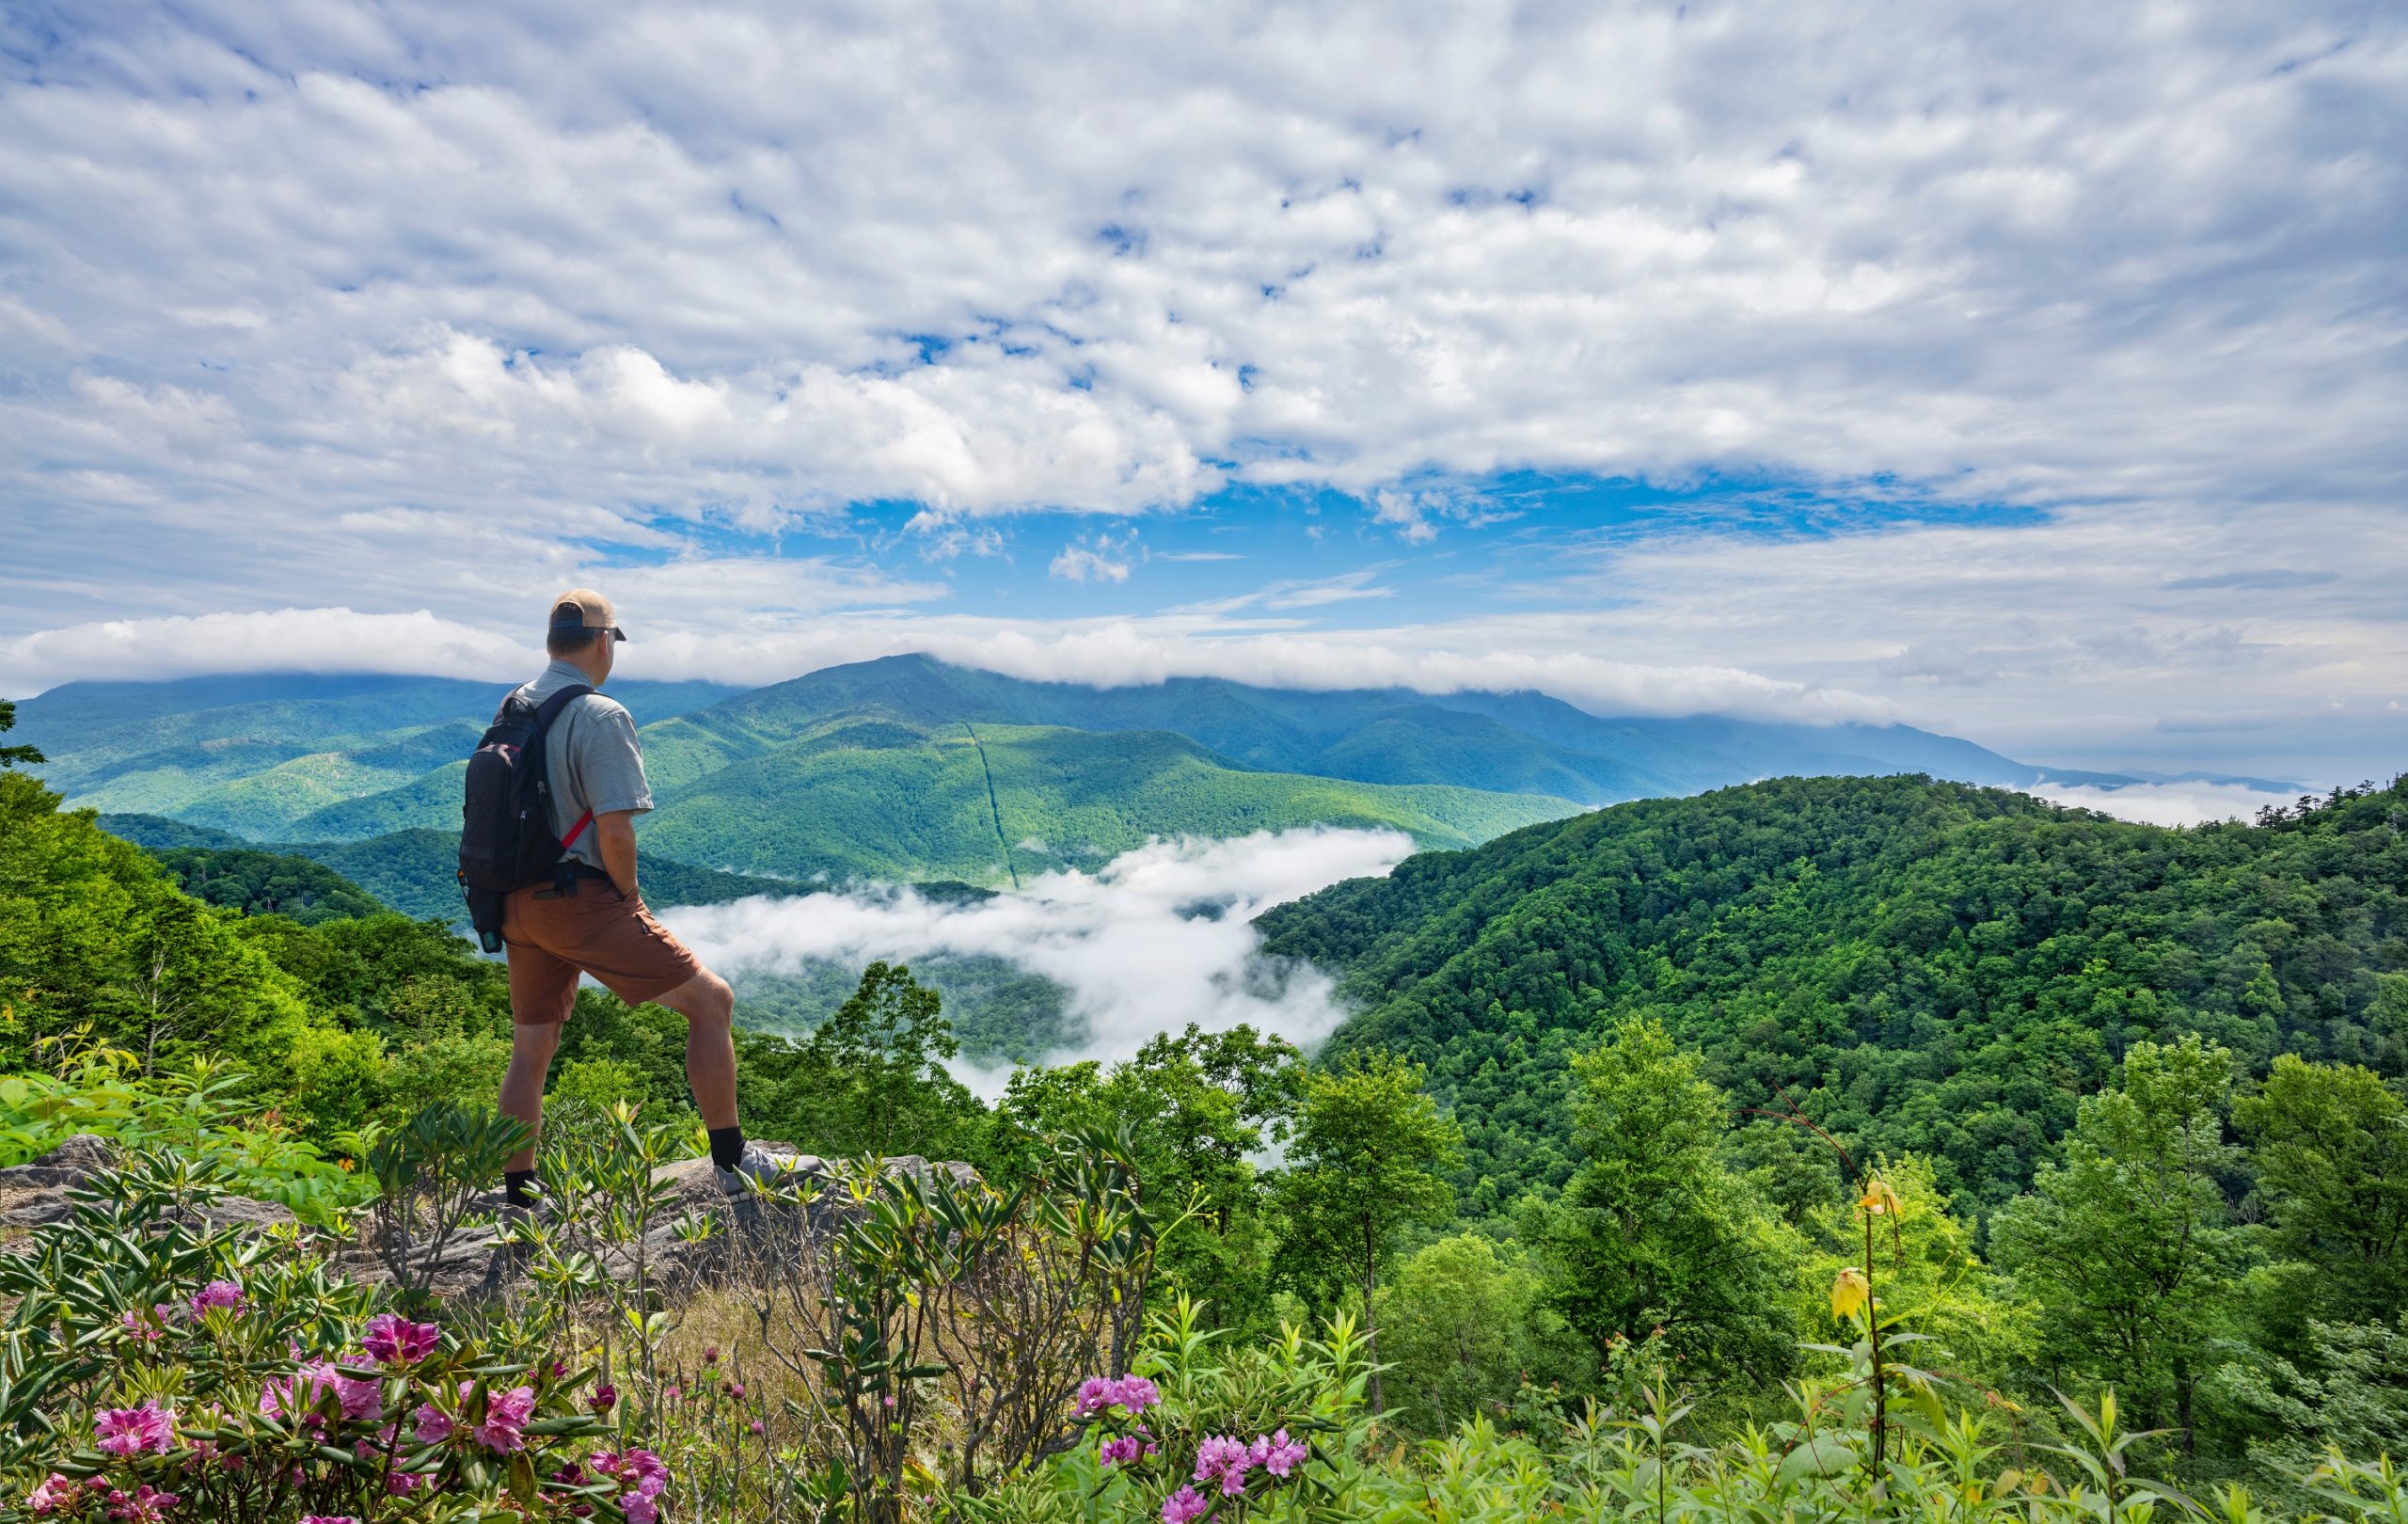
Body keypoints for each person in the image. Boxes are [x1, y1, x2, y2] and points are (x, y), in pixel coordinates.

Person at [494, 588, 785, 1199]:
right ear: (604, 641)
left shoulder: (513, 706)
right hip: (581, 901)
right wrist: (627, 899)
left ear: (552, 642)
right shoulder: (602, 716)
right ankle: (732, 1164)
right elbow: (616, 830)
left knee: (533, 1044)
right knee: (712, 1003)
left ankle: (517, 1188)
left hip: (513, 901)